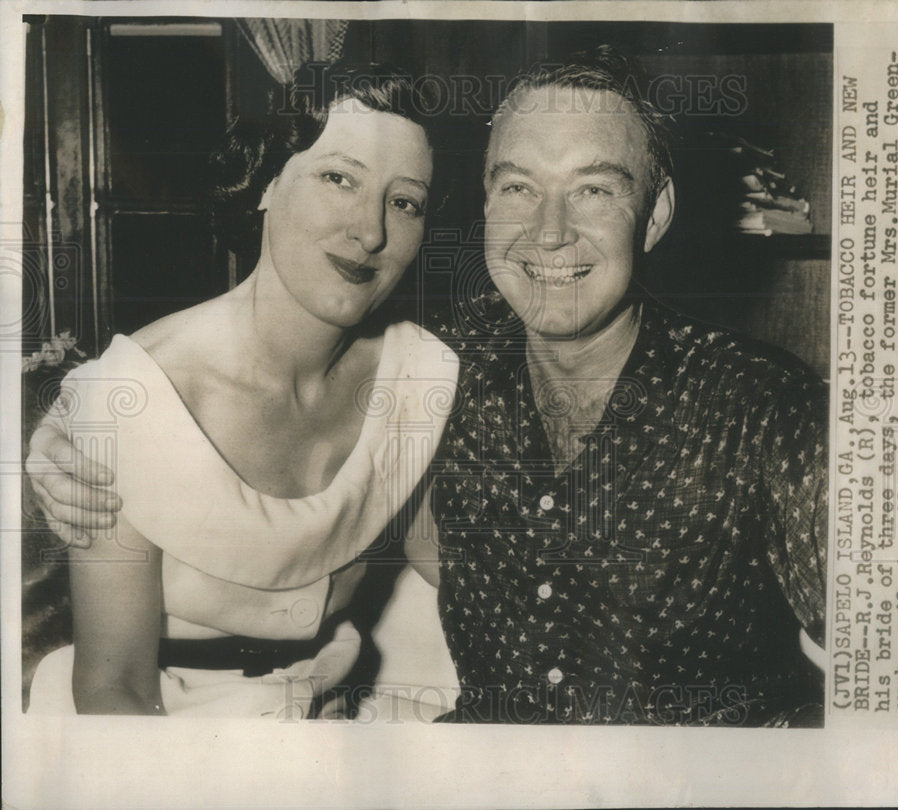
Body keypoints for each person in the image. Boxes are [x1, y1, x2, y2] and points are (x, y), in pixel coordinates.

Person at [29, 46, 828, 726]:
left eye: (593, 188)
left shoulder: (761, 409)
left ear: (654, 216)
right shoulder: (455, 368)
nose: (548, 233)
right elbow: (113, 682)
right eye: (518, 187)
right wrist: (57, 432)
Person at [24, 60, 458, 717]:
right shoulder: (136, 398)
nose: (370, 232)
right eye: (338, 178)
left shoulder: (416, 374)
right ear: (264, 184)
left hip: (338, 715)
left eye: (404, 203)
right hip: (169, 724)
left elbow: (456, 569)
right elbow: (115, 688)